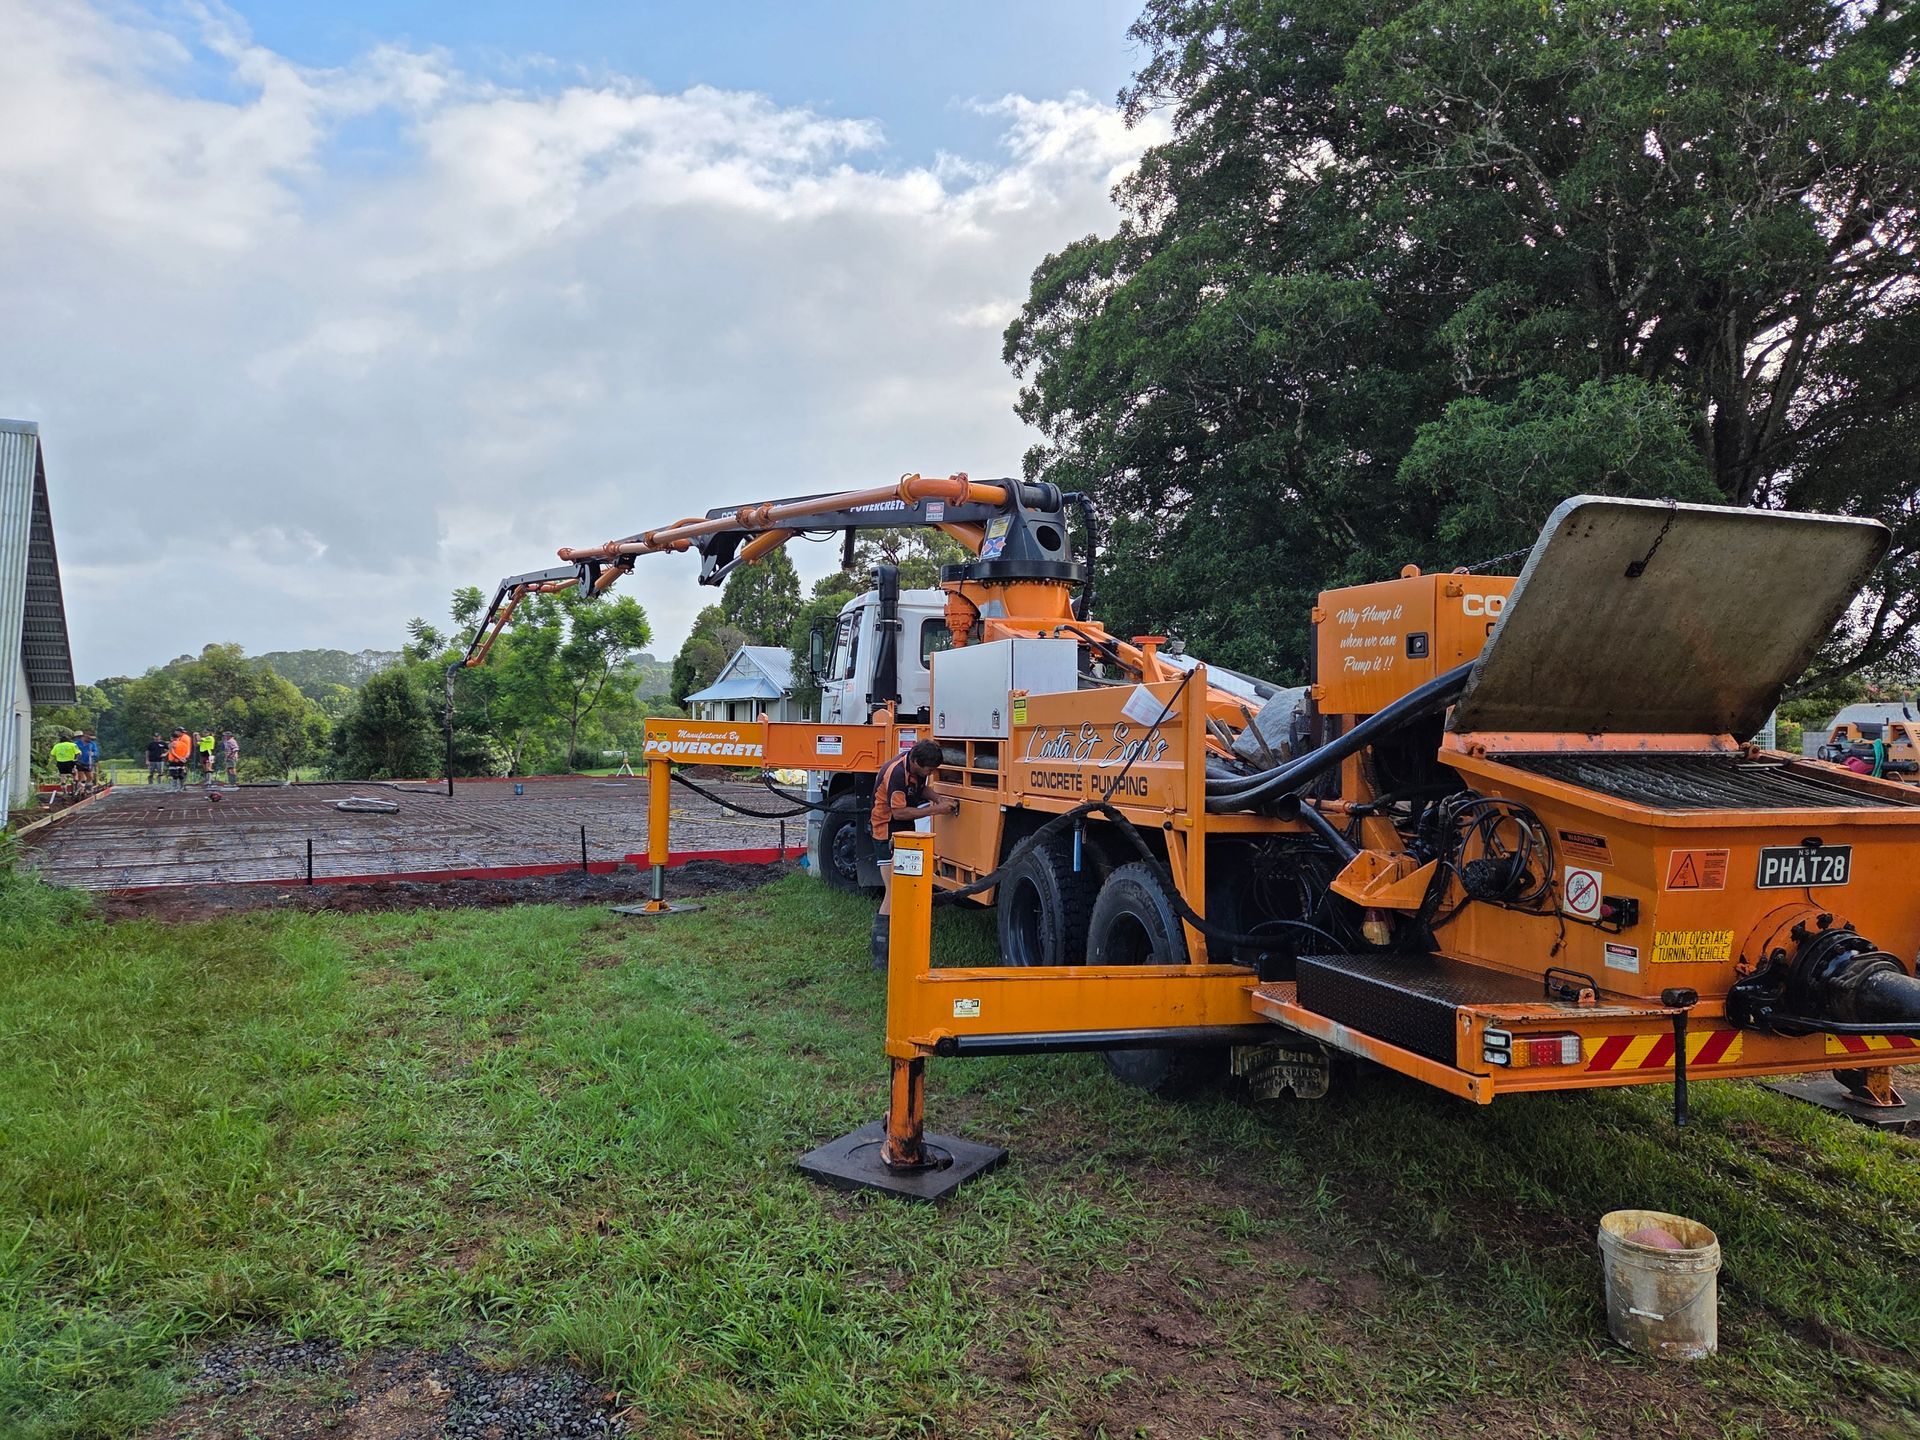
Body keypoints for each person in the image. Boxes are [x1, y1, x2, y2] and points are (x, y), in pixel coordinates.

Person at [867, 739, 957, 968]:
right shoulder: (897, 774)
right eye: (928, 770)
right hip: (886, 831)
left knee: (906, 887)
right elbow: (899, 813)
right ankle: (881, 954)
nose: (930, 773)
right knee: (894, 891)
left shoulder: (916, 767)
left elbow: (921, 788)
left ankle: (901, 944)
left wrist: (937, 798)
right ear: (917, 762)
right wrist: (937, 809)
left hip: (904, 832)